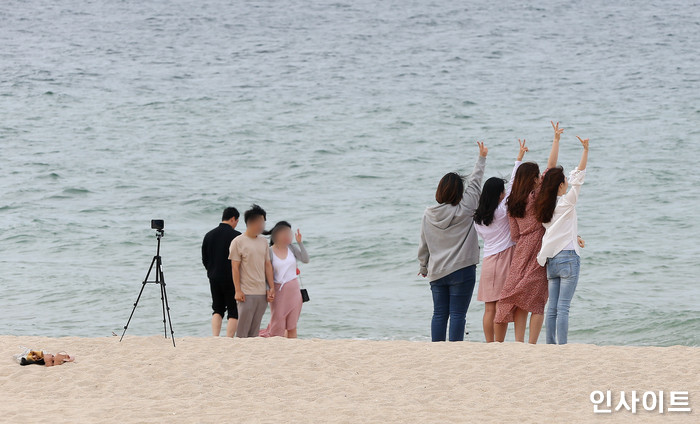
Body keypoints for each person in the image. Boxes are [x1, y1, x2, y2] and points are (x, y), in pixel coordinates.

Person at [494, 121, 562, 344]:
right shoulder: (535, 196)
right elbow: (552, 168)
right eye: (537, 175)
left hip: (521, 250)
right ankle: (532, 344)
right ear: (534, 178)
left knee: (519, 297)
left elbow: (514, 234)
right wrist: (556, 140)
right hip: (537, 247)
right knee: (537, 298)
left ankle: (520, 342)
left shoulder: (513, 201)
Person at [418, 141, 488, 342]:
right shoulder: (465, 208)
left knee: (439, 314)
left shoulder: (428, 214)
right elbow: (475, 183)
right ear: (459, 192)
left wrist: (423, 267)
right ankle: (455, 352)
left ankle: (437, 350)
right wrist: (481, 158)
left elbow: (423, 243)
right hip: (462, 269)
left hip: (437, 270)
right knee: (458, 314)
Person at [535, 136, 589, 345]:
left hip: (552, 261)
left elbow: (557, 229)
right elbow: (579, 177)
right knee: (564, 307)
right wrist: (585, 150)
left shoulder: (544, 207)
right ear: (560, 184)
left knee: (553, 308)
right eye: (564, 179)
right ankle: (563, 347)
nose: (568, 181)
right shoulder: (567, 202)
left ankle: (550, 344)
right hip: (568, 258)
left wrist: (575, 236)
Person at [473, 139, 528, 342]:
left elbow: (510, 187)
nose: (505, 193)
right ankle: (499, 343)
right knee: (502, 305)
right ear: (498, 195)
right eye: (502, 192)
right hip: (505, 258)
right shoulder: (502, 210)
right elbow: (514, 184)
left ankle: (489, 344)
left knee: (489, 307)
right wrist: (518, 159)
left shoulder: (477, 218)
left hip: (488, 261)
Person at [229, 204, 275, 338]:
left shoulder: (263, 242)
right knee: (242, 333)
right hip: (246, 293)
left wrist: (271, 287)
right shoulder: (238, 242)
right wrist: (238, 290)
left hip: (261, 293)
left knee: (254, 332)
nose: (262, 225)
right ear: (251, 222)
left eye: (263, 222)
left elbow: (267, 265)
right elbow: (235, 268)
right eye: (261, 222)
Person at [265, 221, 310, 338]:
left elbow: (305, 259)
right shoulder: (269, 251)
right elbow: (266, 272)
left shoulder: (291, 248)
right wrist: (268, 289)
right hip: (278, 291)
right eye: (286, 234)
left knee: (292, 325)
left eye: (289, 234)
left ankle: (292, 350)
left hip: (294, 290)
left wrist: (300, 243)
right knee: (278, 325)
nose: (289, 236)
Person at [202, 207, 241, 337]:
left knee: (217, 309)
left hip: (214, 276)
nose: (236, 224)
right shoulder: (237, 237)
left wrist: (211, 270)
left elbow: (205, 258)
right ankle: (228, 339)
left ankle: (215, 337)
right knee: (233, 310)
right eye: (237, 221)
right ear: (233, 219)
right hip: (231, 277)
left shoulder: (209, 235)